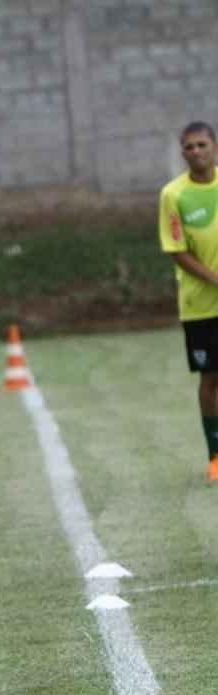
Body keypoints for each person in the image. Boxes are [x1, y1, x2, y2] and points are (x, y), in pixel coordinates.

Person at [159, 120, 218, 481]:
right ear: (183, 153)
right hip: (200, 307)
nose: (196, 152)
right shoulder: (173, 195)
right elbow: (176, 250)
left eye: (202, 145)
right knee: (211, 380)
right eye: (189, 147)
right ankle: (216, 455)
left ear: (215, 148)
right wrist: (215, 279)